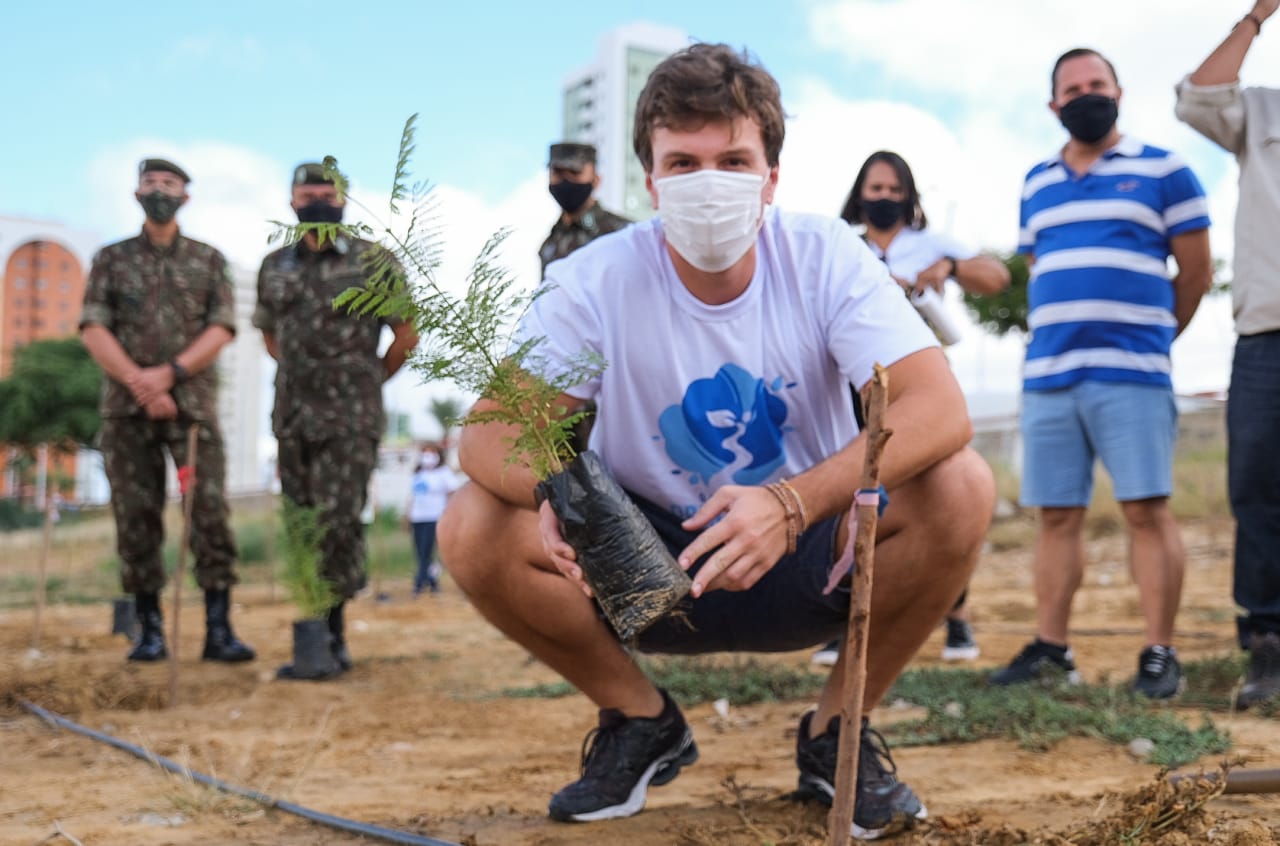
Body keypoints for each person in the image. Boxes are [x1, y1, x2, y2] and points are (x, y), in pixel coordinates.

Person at [439, 43, 994, 841]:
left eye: (734, 159)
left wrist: (791, 502)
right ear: (651, 178)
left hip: (810, 548)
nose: (709, 183)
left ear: (771, 177)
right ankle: (640, 720)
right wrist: (554, 489)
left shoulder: (824, 256)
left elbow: (938, 406)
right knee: (472, 520)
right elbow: (491, 433)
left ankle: (837, 729)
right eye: (684, 161)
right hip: (644, 566)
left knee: (961, 486)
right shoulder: (595, 278)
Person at [991, 49, 1213, 699]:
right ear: (1053, 104)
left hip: (1132, 373)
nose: (1086, 95)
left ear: (1119, 92)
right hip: (1050, 374)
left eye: (1097, 85)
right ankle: (1052, 647)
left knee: (1146, 509)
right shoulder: (1036, 181)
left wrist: (1155, 338)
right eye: (1073, 88)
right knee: (1055, 516)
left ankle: (1159, 652)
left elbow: (1195, 274)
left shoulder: (1167, 171)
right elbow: (1042, 265)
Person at [815, 151, 1010, 666]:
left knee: (941, 495)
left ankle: (957, 618)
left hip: (917, 394)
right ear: (859, 194)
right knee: (854, 498)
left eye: (893, 189)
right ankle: (843, 616)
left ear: (909, 195)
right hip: (849, 395)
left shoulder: (930, 243)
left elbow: (996, 278)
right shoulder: (840, 246)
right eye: (874, 189)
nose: (883, 198)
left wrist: (950, 267)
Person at [80, 158, 255, 664]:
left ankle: (218, 631)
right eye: (151, 182)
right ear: (137, 191)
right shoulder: (110, 259)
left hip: (191, 409)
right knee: (135, 518)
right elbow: (94, 327)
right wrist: (140, 383)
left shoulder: (208, 259)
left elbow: (221, 328)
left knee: (208, 514)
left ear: (186, 195)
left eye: (169, 183)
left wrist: (169, 375)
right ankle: (149, 630)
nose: (159, 189)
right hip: (126, 409)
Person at [254, 162, 419, 679]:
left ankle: (334, 632)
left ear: (344, 198)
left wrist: (366, 381)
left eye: (327, 191)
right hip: (293, 413)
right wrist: (305, 375)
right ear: (291, 201)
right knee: (300, 519)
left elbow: (406, 335)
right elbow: (270, 336)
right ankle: (314, 630)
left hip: (351, 417)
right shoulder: (274, 265)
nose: (318, 199)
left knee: (339, 521)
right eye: (308, 192)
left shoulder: (375, 261)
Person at [1175, 0, 1280, 709]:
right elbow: (1197, 96)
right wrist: (1258, 13)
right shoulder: (1262, 112)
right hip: (1267, 336)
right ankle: (1268, 646)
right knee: (1258, 487)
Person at [539, 142, 630, 277]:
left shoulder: (623, 234)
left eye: (574, 172)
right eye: (558, 173)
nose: (565, 181)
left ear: (596, 179)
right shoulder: (549, 244)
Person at [404, 443, 462, 595]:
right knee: (419, 551)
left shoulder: (443, 473)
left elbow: (453, 491)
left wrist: (451, 513)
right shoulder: (418, 473)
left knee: (426, 550)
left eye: (431, 453)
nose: (427, 457)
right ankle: (432, 582)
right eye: (425, 453)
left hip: (435, 516)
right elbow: (413, 496)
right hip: (418, 517)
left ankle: (419, 583)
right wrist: (407, 516)